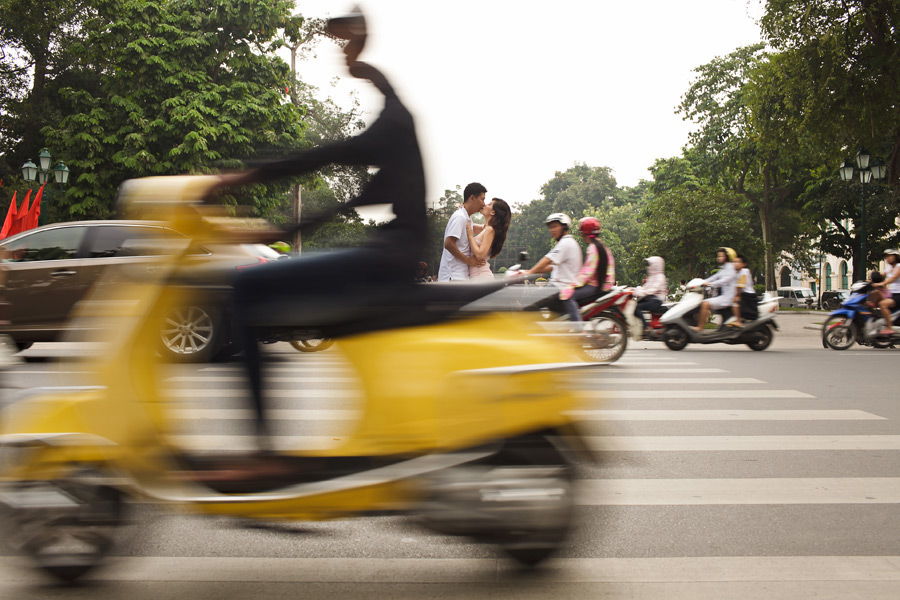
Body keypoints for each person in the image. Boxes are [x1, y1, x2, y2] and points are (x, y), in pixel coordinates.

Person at [203, 9, 426, 450]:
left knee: (245, 288)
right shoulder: (398, 126)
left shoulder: (393, 125)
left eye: (345, 43)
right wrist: (277, 230)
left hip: (389, 259)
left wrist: (241, 178)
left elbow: (328, 155)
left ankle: (265, 451)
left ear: (361, 41)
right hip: (393, 254)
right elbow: (348, 200)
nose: (341, 52)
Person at [551, 217, 615, 322]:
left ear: (584, 233)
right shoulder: (601, 246)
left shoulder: (593, 248)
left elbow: (587, 272)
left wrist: (572, 284)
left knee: (567, 295)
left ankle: (578, 327)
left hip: (598, 285)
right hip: (602, 283)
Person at [437, 183, 487, 281]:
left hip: (459, 276)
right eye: (482, 199)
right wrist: (468, 261)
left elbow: (485, 228)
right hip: (453, 277)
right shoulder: (460, 217)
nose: (484, 203)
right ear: (472, 198)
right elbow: (448, 244)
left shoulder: (467, 218)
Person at [524, 213, 582, 290]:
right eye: (550, 228)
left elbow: (547, 260)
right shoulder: (568, 242)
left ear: (564, 227)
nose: (551, 230)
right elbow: (551, 267)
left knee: (532, 298)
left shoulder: (565, 242)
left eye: (554, 227)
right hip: (560, 287)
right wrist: (527, 271)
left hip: (561, 287)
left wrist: (529, 273)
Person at [465, 198, 511, 280]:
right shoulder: (486, 228)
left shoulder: (490, 230)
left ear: (492, 212)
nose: (484, 205)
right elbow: (468, 224)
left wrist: (471, 236)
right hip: (477, 276)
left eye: (489, 204)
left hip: (481, 277)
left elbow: (479, 255)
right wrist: (463, 210)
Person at [695, 247, 737, 333]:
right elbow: (715, 277)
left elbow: (724, 281)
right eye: (719, 256)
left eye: (721, 256)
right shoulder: (724, 268)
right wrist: (701, 282)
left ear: (728, 257)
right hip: (724, 296)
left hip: (728, 298)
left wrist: (710, 284)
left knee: (705, 304)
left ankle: (700, 328)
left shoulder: (731, 268)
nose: (719, 258)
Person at [869, 248, 900, 335]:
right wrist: (869, 282)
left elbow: (893, 278)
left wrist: (882, 283)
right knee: (874, 294)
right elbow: (882, 276)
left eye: (889, 256)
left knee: (883, 304)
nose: (887, 259)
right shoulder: (889, 268)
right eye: (886, 257)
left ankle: (889, 327)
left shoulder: (899, 266)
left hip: (898, 295)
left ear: (895, 257)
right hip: (892, 294)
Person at [632, 256, 667, 327]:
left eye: (649, 264)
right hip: (650, 298)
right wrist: (634, 289)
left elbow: (652, 290)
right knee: (633, 305)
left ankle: (646, 327)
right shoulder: (652, 277)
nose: (648, 267)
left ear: (655, 265)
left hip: (656, 300)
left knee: (637, 307)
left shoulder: (660, 277)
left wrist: (639, 292)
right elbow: (645, 288)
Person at [728, 253, 757, 327]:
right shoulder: (737, 272)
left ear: (743, 264)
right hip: (744, 294)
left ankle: (738, 321)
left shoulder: (744, 271)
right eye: (734, 262)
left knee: (734, 303)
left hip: (748, 295)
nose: (735, 264)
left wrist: (737, 296)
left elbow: (740, 285)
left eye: (738, 262)